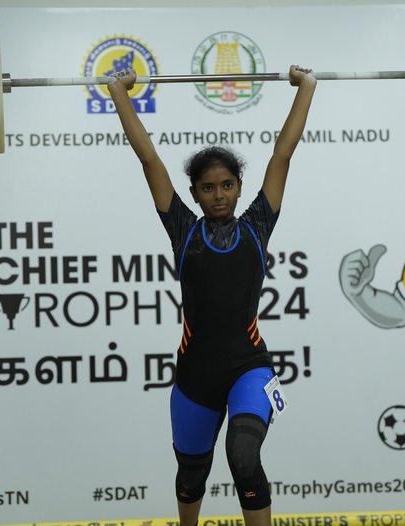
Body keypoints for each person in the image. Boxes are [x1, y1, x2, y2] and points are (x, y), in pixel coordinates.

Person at [109, 66, 316, 525]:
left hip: (250, 369)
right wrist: (118, 93)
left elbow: (284, 151)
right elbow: (149, 161)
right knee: (191, 476)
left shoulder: (259, 225)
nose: (219, 195)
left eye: (227, 186)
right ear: (194, 194)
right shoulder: (183, 229)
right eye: (208, 188)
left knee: (243, 457)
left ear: (239, 188)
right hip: (195, 377)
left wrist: (307, 88)